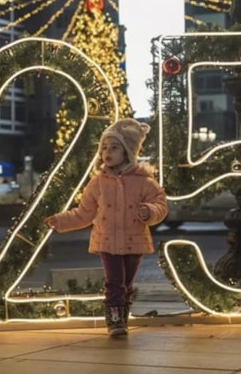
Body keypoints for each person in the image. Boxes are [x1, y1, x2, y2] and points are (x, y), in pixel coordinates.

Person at [44, 118, 167, 337]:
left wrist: (150, 211)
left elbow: (160, 204)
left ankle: (123, 316)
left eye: (114, 147)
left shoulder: (144, 181)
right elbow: (84, 212)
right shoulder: (98, 183)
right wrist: (61, 221)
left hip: (134, 241)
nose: (107, 152)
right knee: (114, 282)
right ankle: (114, 320)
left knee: (126, 284)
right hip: (107, 242)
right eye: (104, 148)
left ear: (127, 152)